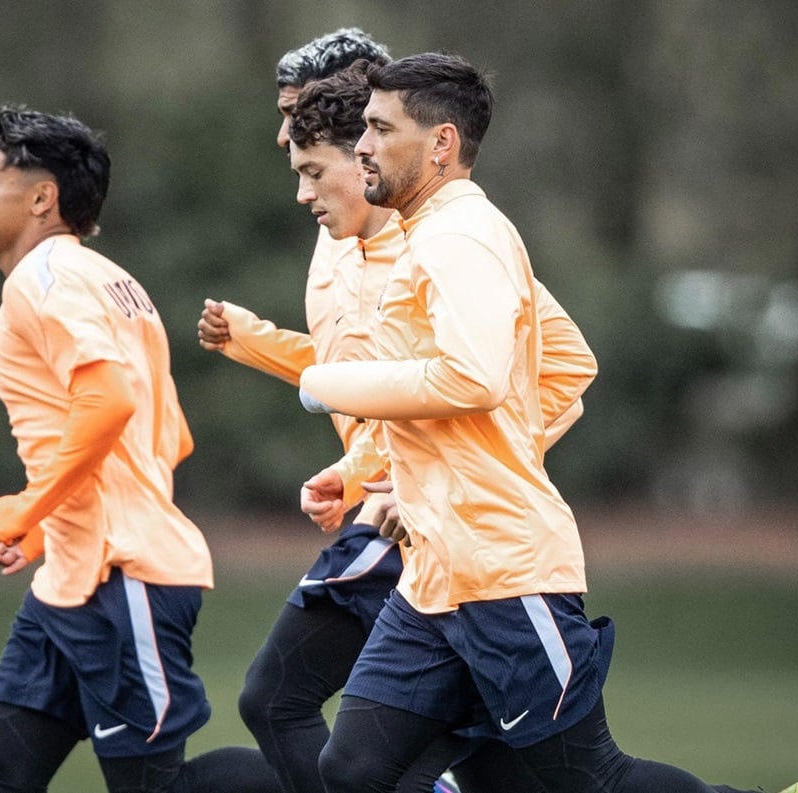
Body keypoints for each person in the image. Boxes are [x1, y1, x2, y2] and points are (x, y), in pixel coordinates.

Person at [297, 54, 798, 793]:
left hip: (506, 572)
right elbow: (563, 367)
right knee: (353, 767)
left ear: (442, 144)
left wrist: (328, 382)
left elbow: (473, 377)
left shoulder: (463, 238)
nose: (362, 147)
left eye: (381, 129)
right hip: (435, 573)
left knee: (587, 779)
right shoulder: (429, 237)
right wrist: (410, 485)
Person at [198, 41, 591, 793]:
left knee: (278, 701)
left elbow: (542, 370)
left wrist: (455, 473)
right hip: (414, 528)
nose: (286, 139)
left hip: (464, 536)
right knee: (460, 763)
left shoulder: (451, 239)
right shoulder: (344, 239)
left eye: (302, 125)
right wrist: (359, 465)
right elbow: (357, 372)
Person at [0, 105, 281, 793]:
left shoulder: (44, 281)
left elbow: (110, 404)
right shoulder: (114, 281)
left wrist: (27, 506)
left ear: (42, 196)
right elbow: (169, 438)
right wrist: (50, 528)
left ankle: (375, 781)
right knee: (5, 775)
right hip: (73, 579)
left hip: (125, 576)